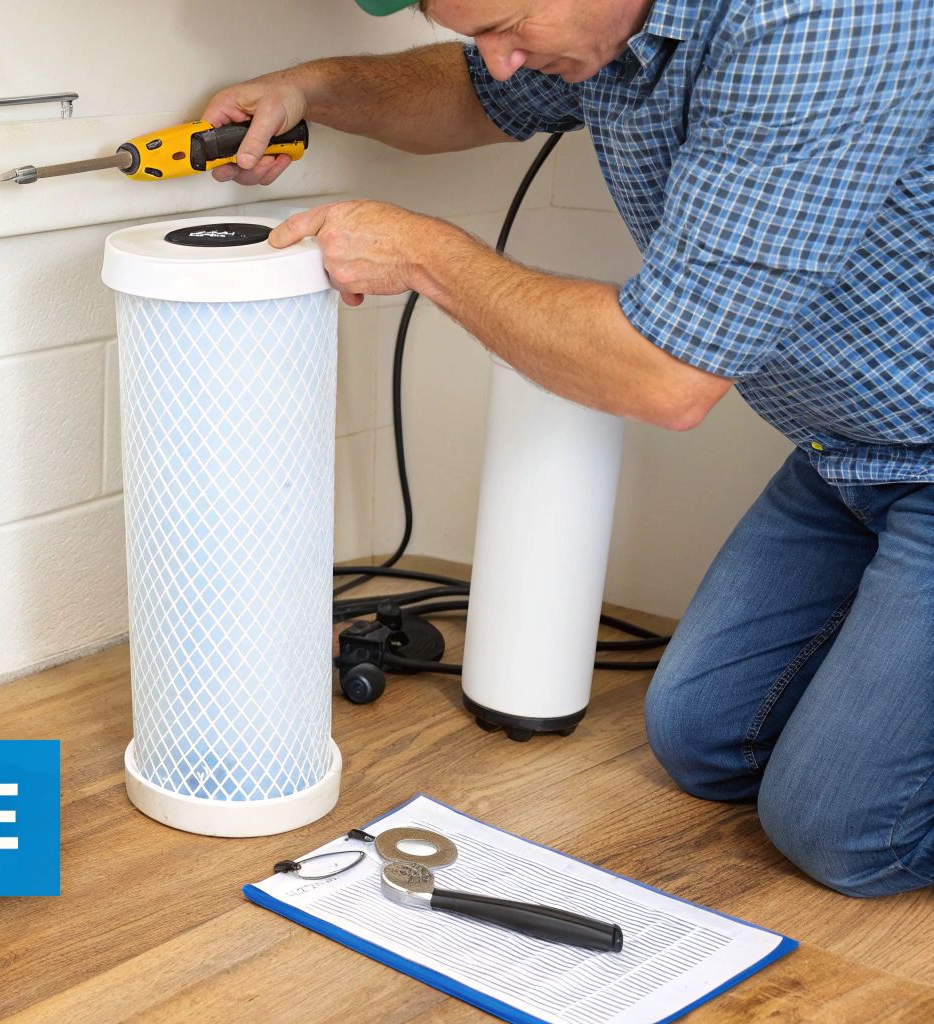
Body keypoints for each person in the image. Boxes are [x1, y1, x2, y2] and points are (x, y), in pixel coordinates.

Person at [210, 0, 933, 897]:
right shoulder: (608, 35)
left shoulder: (822, 22)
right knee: (705, 742)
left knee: (846, 833)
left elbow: (664, 381)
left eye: (507, 25)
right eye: (474, 32)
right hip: (850, 454)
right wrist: (308, 89)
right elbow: (476, 96)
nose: (501, 62)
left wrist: (428, 256)